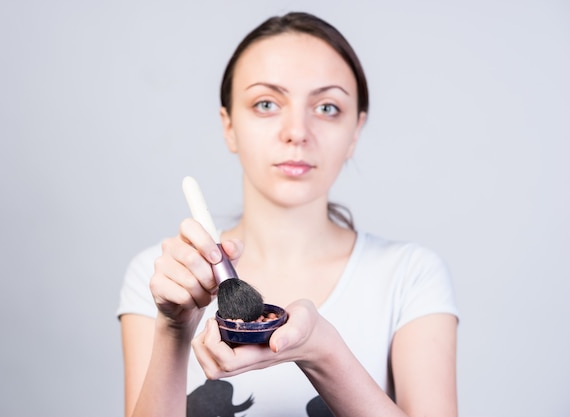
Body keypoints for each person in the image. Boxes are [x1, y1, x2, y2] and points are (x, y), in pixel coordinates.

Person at [117, 11, 459, 417]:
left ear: (355, 131)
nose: (297, 131)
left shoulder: (411, 277)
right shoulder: (161, 280)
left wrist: (324, 352)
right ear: (228, 125)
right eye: (266, 103)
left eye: (328, 107)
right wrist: (173, 331)